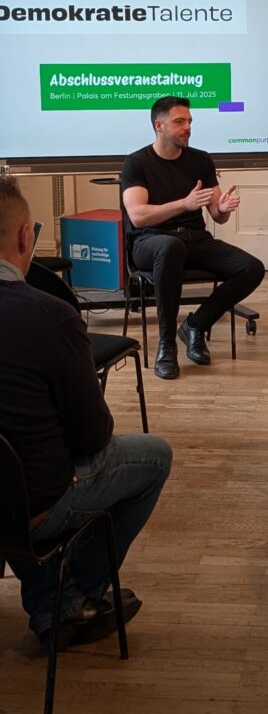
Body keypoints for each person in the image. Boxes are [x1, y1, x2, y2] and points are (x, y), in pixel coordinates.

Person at [0, 175, 172, 649]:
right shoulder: (50, 315)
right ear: (25, 238)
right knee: (154, 456)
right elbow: (93, 436)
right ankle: (67, 598)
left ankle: (50, 597)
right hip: (31, 502)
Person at [121, 96, 265, 379]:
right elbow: (138, 216)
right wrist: (183, 204)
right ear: (159, 125)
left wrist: (222, 209)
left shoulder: (200, 160)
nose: (187, 127)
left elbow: (216, 215)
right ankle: (166, 345)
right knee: (170, 246)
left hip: (194, 239)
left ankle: (195, 325)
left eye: (189, 121)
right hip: (150, 241)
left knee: (252, 268)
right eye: (179, 121)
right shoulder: (136, 162)